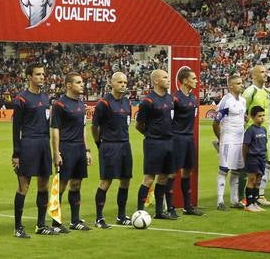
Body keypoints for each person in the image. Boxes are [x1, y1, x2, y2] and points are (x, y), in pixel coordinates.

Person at [9, 63, 54, 238]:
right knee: (24, 187)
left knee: (43, 185)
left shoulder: (46, 97)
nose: (42, 77)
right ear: (29, 77)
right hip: (28, 144)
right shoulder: (21, 99)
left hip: (44, 144)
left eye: (43, 74)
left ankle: (41, 225)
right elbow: (15, 128)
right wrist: (16, 153)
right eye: (38, 74)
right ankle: (18, 227)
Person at [134, 69, 178, 220]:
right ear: (156, 81)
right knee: (149, 178)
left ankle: (159, 212)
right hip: (154, 143)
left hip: (169, 142)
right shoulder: (148, 101)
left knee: (164, 177)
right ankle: (139, 212)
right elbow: (139, 125)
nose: (168, 79)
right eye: (165, 77)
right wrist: (151, 135)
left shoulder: (170, 99)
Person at [50, 72, 92, 230]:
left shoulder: (81, 104)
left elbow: (83, 129)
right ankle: (56, 222)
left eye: (82, 82)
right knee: (61, 185)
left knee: (76, 184)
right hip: (66, 148)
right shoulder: (59, 105)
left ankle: (75, 221)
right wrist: (56, 152)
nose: (82, 85)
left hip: (80, 148)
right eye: (79, 82)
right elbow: (55, 130)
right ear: (69, 85)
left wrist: (87, 150)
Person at [93, 70, 134, 225]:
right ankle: (99, 217)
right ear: (111, 83)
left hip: (125, 145)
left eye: (125, 82)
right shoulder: (103, 103)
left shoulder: (126, 102)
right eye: (120, 82)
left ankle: (121, 216)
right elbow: (94, 127)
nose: (123, 85)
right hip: (109, 146)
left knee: (125, 181)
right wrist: (99, 144)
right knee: (106, 181)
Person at [170, 66, 202, 215]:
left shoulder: (194, 98)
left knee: (187, 172)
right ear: (184, 80)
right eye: (193, 78)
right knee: (172, 172)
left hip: (189, 139)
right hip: (177, 138)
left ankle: (187, 206)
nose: (196, 81)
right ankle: (169, 207)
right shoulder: (174, 98)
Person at [213, 73, 246, 211]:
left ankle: (234, 200)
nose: (241, 85)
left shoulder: (243, 101)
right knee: (224, 170)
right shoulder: (226, 101)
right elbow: (216, 122)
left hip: (240, 139)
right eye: (238, 83)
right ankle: (220, 201)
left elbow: (242, 117)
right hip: (228, 139)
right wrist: (221, 138)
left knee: (237, 170)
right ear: (230, 86)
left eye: (241, 82)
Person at [241, 106, 268, 212]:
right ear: (252, 117)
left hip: (262, 158)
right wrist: (245, 160)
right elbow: (245, 147)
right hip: (253, 158)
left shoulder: (263, 129)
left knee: (258, 181)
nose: (262, 118)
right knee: (252, 180)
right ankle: (249, 204)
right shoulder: (250, 130)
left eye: (263, 115)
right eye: (259, 116)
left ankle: (255, 202)